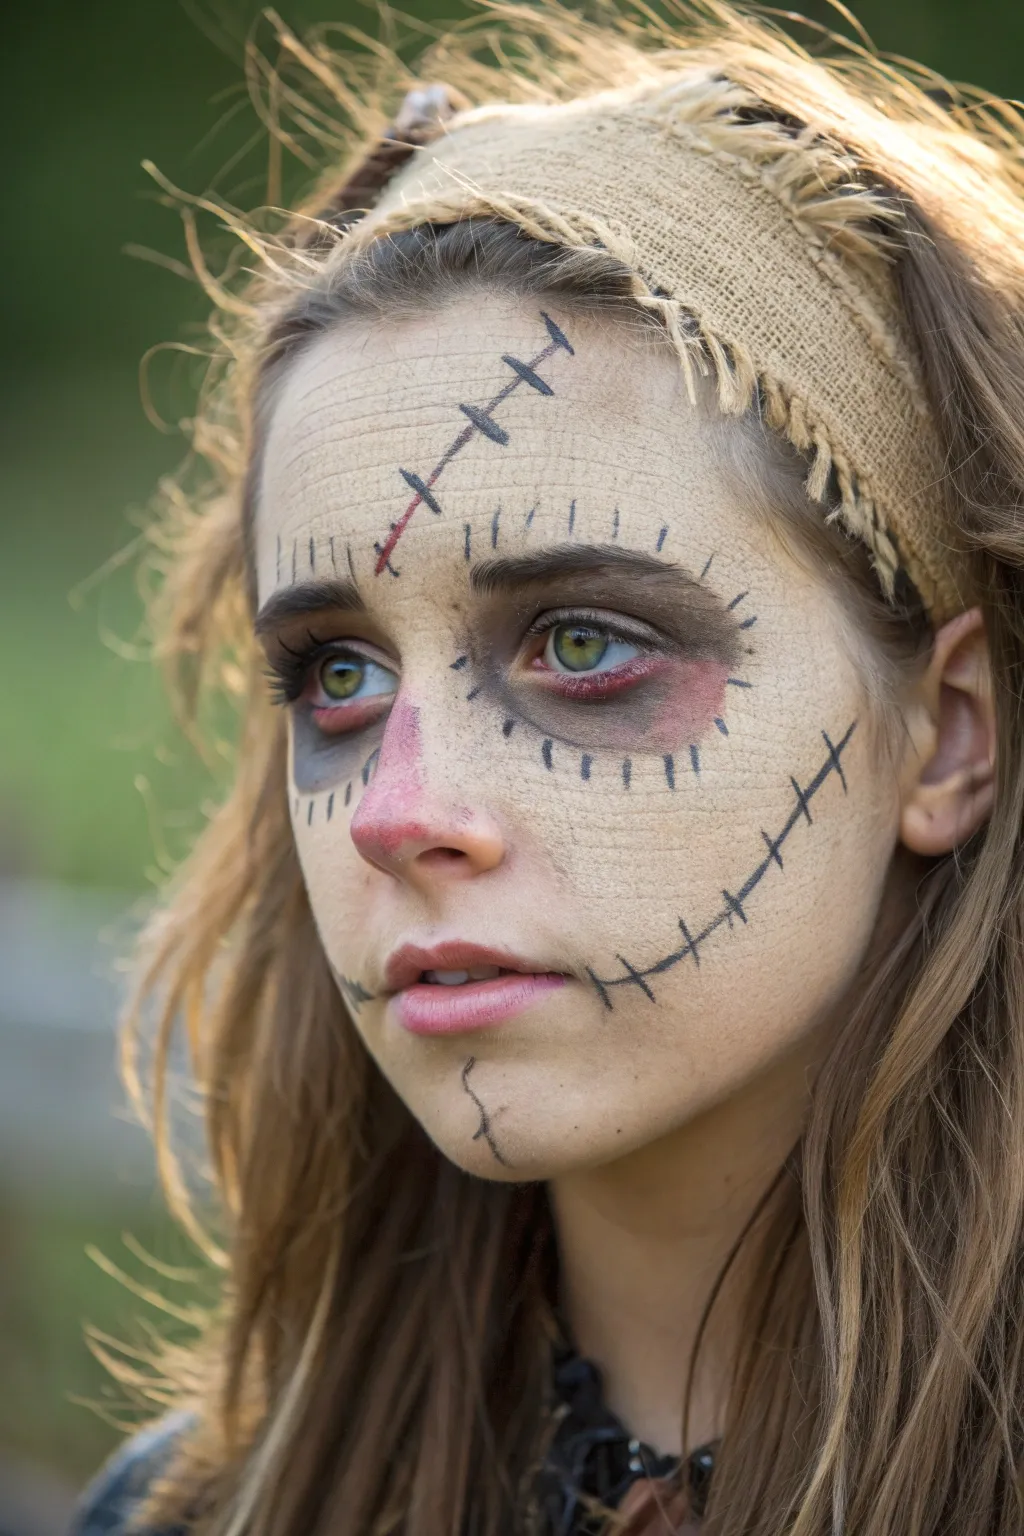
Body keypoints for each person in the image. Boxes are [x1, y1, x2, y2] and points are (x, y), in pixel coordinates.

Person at [69, 2, 1024, 1532]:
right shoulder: (197, 1510)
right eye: (339, 674)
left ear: (949, 731)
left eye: (584, 646)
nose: (398, 815)